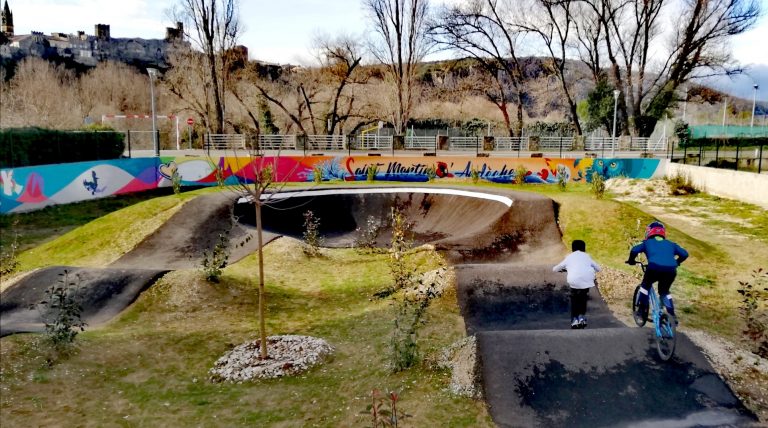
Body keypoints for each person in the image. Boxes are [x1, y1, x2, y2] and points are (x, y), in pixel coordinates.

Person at [626, 221, 688, 324]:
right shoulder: (671, 244)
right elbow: (685, 254)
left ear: (649, 232)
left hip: (654, 268)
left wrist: (631, 260)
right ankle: (672, 315)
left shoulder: (647, 243)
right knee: (664, 291)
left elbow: (634, 250)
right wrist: (677, 262)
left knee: (645, 286)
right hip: (671, 270)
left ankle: (641, 311)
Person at [553, 239, 601, 329]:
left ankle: (575, 320)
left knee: (575, 299)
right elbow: (599, 268)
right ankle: (581, 317)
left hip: (574, 280)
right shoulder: (587, 256)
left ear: (573, 248)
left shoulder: (569, 257)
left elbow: (555, 269)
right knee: (583, 297)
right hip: (586, 279)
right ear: (584, 248)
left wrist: (564, 269)